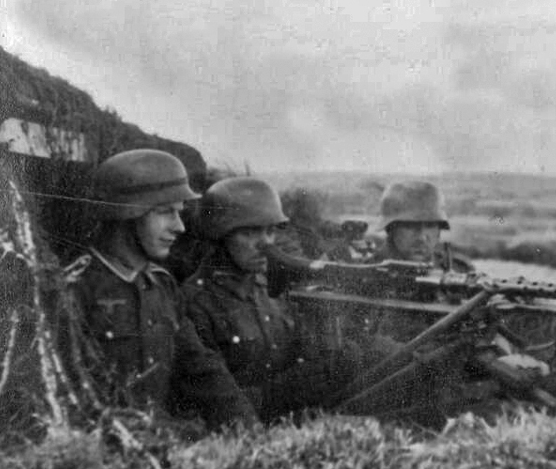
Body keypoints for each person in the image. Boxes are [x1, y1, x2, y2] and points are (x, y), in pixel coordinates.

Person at [60, 149, 257, 430]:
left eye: (179, 213)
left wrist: (247, 426)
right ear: (127, 213)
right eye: (165, 212)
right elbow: (68, 398)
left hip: (158, 440)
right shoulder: (75, 289)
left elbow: (202, 369)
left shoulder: (162, 286)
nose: (179, 227)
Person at [182, 177, 359, 422]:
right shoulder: (196, 303)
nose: (265, 243)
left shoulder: (268, 288)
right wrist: (288, 390)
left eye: (269, 231)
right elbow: (213, 399)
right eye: (249, 232)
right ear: (219, 236)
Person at [371, 181, 473, 273]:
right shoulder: (368, 271)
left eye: (430, 226)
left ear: (439, 231)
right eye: (410, 226)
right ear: (391, 229)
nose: (421, 237)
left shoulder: (458, 270)